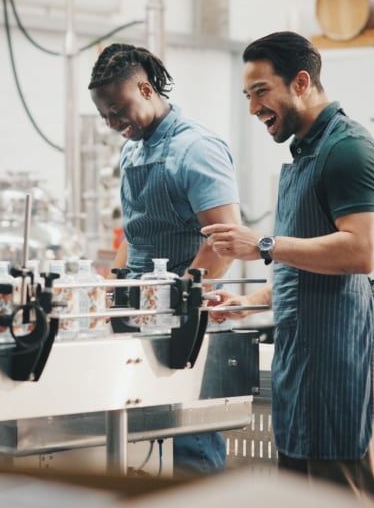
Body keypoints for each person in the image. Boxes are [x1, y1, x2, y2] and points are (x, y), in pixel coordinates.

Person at [202, 31, 374, 504]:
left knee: (343, 494)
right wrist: (248, 301)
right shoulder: (303, 153)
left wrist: (262, 243)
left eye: (261, 92)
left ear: (301, 82)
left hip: (339, 357)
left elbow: (360, 251)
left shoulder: (348, 148)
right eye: (247, 96)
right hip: (300, 356)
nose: (253, 108)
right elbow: (299, 262)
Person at [87, 43, 242, 478]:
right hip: (139, 317)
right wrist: (113, 290)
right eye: (106, 117)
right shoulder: (133, 149)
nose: (115, 124)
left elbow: (221, 244)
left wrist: (179, 304)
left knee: (188, 447)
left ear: (145, 87)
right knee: (139, 451)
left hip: (181, 324)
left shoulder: (198, 149)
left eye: (120, 110)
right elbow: (135, 234)